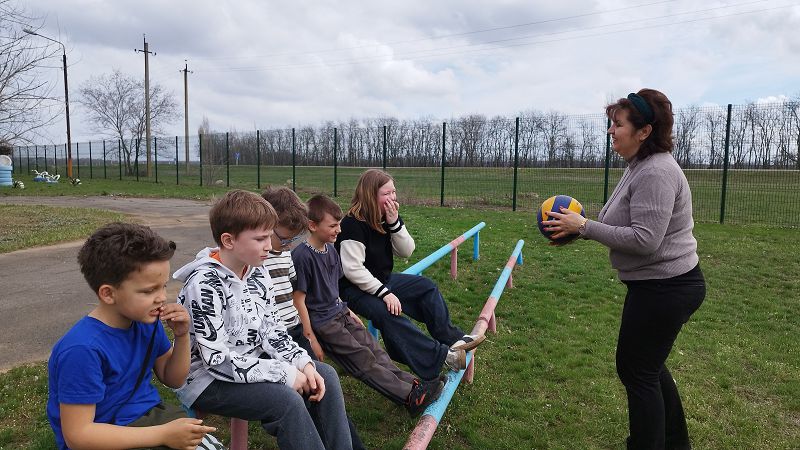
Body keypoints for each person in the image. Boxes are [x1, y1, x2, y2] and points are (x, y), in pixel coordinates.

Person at [545, 89, 706, 450]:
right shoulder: (639, 167)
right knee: (646, 367)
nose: (611, 131)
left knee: (638, 371)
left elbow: (645, 240)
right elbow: (624, 226)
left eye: (618, 124)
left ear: (644, 131)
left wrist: (584, 226)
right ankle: (675, 443)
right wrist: (579, 229)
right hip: (657, 286)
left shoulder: (656, 172)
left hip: (666, 288)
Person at [173, 190, 352, 450]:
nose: (269, 245)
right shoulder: (203, 285)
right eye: (260, 238)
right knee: (286, 401)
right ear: (228, 240)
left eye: (269, 236)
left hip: (252, 360)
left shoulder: (257, 271)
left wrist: (302, 363)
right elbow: (216, 361)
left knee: (325, 375)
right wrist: (284, 374)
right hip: (206, 379)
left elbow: (273, 330)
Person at [47, 222, 224, 450]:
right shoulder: (82, 350)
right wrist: (163, 435)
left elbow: (173, 378)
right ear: (108, 294)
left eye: (163, 286)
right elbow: (79, 436)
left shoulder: (146, 322)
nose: (162, 297)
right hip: (106, 437)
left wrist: (181, 337)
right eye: (149, 290)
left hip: (149, 418)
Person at [293, 194, 444, 415]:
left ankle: (414, 386)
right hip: (324, 324)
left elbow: (333, 289)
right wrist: (310, 337)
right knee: (362, 359)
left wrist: (348, 311)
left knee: (375, 350)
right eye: (333, 226)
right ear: (312, 226)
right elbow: (298, 300)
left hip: (341, 313)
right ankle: (409, 397)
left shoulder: (331, 250)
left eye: (339, 224)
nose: (339, 230)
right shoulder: (302, 256)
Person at [335, 168, 484, 383]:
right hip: (352, 289)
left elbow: (406, 251)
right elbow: (352, 270)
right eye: (386, 193)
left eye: (394, 192)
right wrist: (385, 294)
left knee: (426, 287)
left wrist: (394, 224)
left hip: (381, 280)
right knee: (388, 313)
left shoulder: (387, 217)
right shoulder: (352, 223)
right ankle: (442, 358)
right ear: (370, 195)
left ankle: (452, 339)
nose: (393, 198)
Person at [261, 186, 366, 450]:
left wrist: (308, 335)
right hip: (273, 341)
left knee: (325, 390)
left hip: (294, 333)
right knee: (307, 398)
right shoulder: (256, 259)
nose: (288, 245)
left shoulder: (285, 253)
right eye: (284, 239)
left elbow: (295, 298)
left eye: (292, 240)